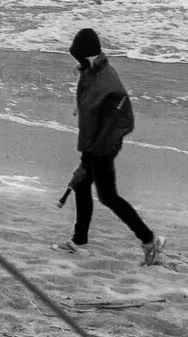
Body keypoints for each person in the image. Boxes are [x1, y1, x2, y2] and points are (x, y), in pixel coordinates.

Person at [60, 27, 167, 264]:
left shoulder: (103, 82)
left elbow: (102, 124)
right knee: (82, 185)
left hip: (104, 144)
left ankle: (150, 239)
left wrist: (86, 158)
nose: (75, 60)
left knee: (108, 196)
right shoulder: (93, 71)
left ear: (84, 54)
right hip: (97, 141)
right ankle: (78, 242)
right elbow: (91, 118)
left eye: (76, 55)